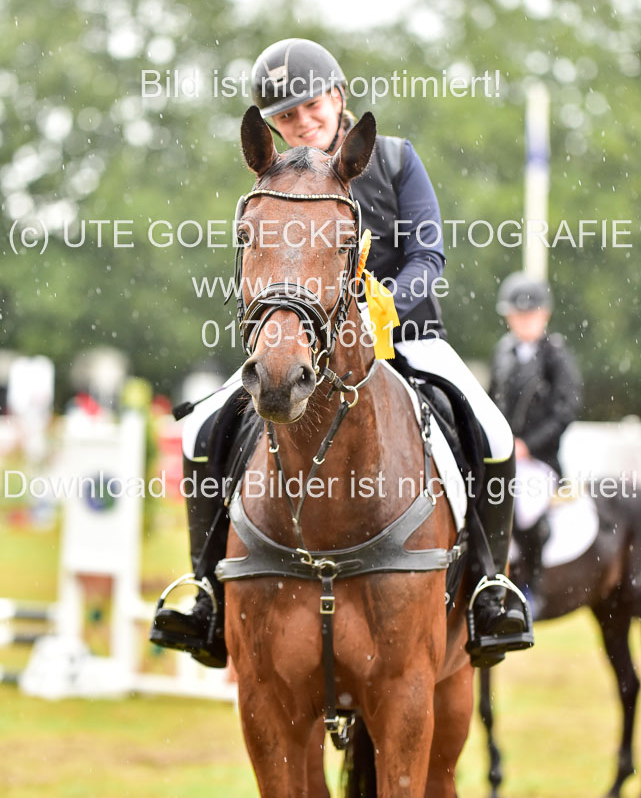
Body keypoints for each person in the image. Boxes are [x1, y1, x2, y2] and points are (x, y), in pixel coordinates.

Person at [150, 38, 532, 668]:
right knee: (201, 431)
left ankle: (491, 588)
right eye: (286, 115)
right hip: (305, 347)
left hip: (405, 339)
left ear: (338, 96)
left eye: (311, 106)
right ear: (272, 125)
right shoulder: (275, 180)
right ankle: (206, 591)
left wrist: (383, 308)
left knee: (489, 428)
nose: (303, 122)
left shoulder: (396, 159)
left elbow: (427, 256)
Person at [490, 272, 582, 614]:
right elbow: (492, 401)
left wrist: (528, 444)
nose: (523, 320)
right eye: (517, 314)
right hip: (504, 455)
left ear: (544, 314)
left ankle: (533, 586)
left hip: (540, 459)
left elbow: (565, 410)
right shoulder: (503, 352)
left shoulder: (555, 355)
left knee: (521, 507)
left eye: (529, 314)